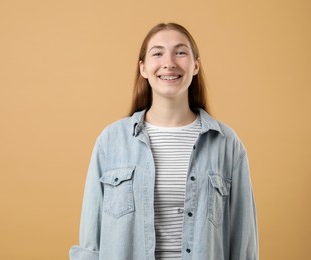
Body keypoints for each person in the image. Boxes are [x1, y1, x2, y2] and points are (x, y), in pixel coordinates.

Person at [69, 22, 258, 260]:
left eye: (180, 52)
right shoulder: (111, 142)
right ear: (144, 68)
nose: (169, 62)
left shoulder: (227, 144)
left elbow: (244, 244)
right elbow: (90, 243)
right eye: (157, 53)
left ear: (196, 65)